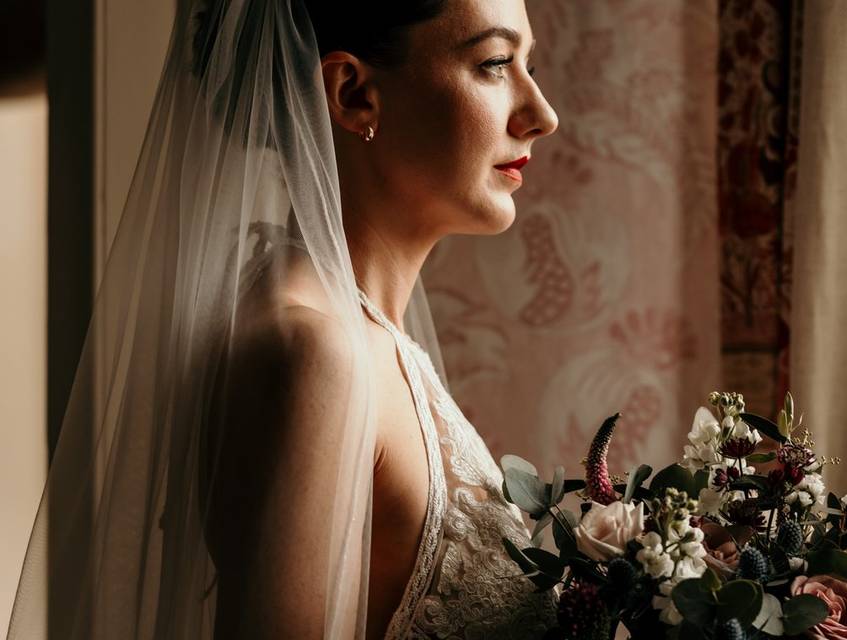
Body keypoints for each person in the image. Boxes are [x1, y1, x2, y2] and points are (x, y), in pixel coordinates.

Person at [6, 0, 559, 638]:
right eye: (495, 64)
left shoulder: (364, 340)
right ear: (353, 94)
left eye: (531, 65)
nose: (542, 114)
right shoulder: (314, 351)